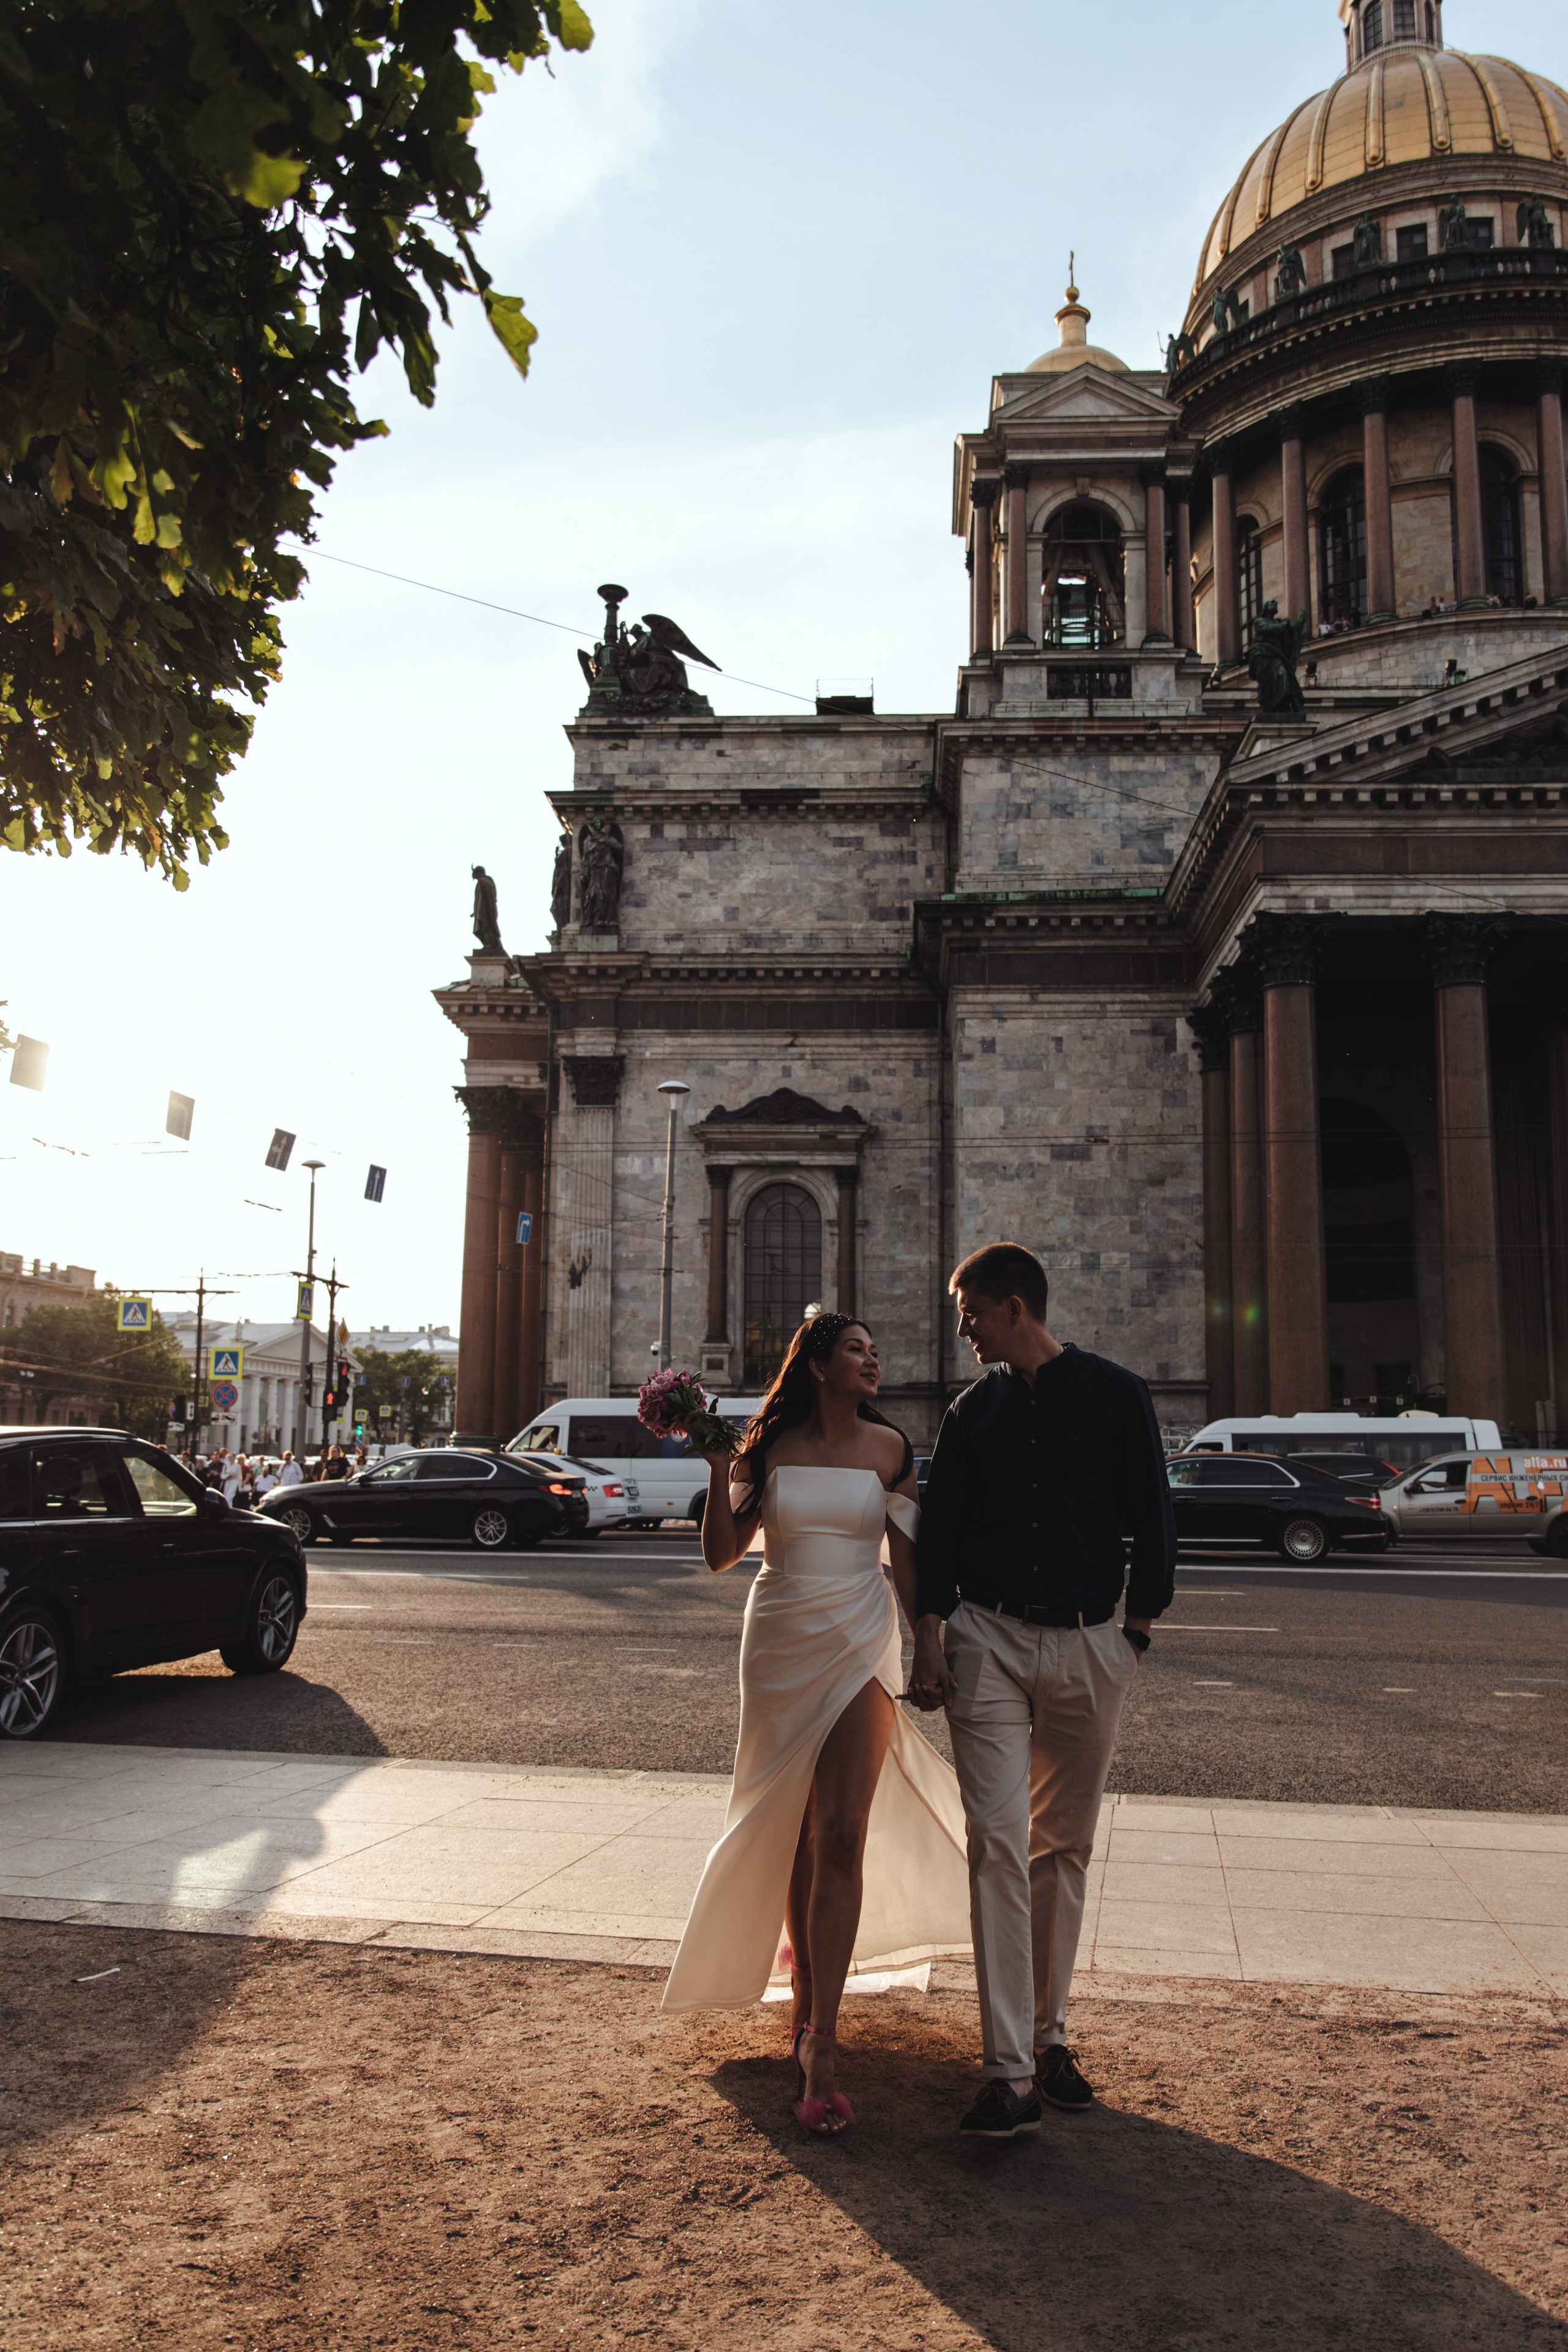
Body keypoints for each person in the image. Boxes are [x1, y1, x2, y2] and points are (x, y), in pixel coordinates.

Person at [662, 1313, 971, 2136]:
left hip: (864, 1640)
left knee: (841, 1834)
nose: (875, 1360)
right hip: (781, 1643)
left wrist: (929, 1643)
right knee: (796, 1832)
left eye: (877, 1349)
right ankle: (801, 2004)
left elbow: (908, 1566)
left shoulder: (892, 1449)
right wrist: (721, 1464)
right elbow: (724, 1554)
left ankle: (823, 2038)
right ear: (820, 1364)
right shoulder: (767, 1444)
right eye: (859, 1350)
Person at [910, 1243, 1175, 2139]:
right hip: (986, 1639)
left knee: (1061, 1849)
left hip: (1091, 1642)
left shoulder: (1115, 1394)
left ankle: (1050, 2035)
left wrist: (1136, 1631)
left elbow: (1155, 1517)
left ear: (1015, 1308)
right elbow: (939, 1529)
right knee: (997, 1840)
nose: (965, 1332)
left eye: (971, 1315)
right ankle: (1009, 2071)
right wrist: (933, 1633)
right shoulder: (968, 1412)